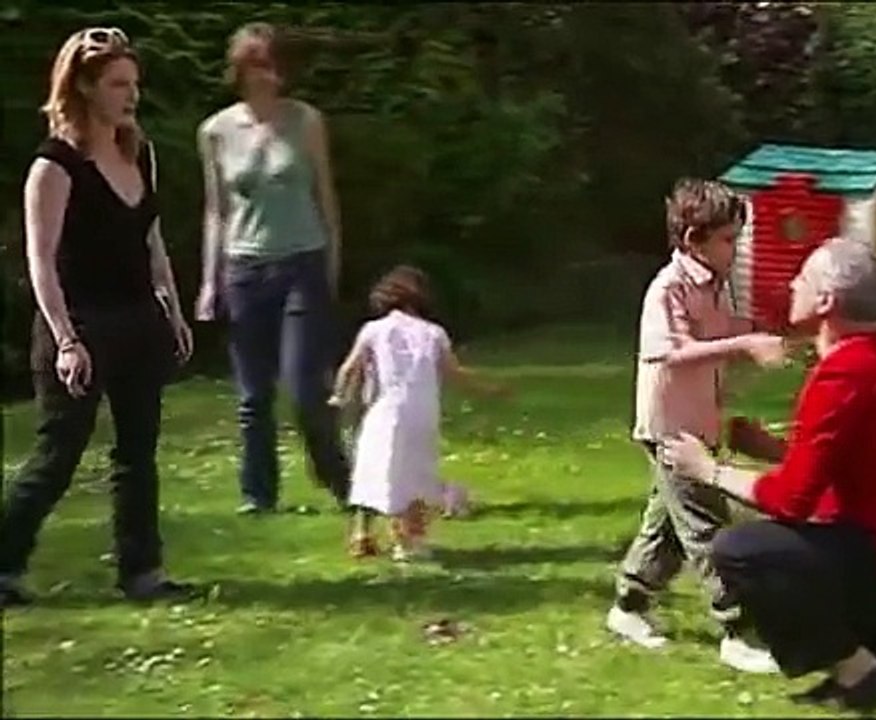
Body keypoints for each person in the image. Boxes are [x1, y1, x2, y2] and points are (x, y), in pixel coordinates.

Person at [661, 237, 876, 711]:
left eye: (804, 278)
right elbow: (848, 467)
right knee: (815, 579)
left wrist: (708, 470)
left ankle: (858, 674)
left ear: (826, 302)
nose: (794, 284)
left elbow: (791, 501)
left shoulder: (844, 375)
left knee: (742, 551)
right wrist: (774, 451)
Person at [0, 27, 198, 607]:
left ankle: (143, 573)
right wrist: (66, 339)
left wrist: (173, 311)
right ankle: (4, 565)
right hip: (82, 323)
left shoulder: (140, 153)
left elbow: (152, 240)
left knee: (138, 452)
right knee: (59, 453)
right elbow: (40, 260)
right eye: (117, 84)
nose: (131, 95)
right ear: (85, 87)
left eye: (134, 84)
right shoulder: (55, 165)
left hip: (138, 318)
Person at [605, 178, 790, 673]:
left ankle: (628, 606)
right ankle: (737, 631)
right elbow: (674, 351)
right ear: (693, 239)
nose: (736, 249)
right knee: (707, 528)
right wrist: (744, 346)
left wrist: (760, 330)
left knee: (667, 526)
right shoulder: (668, 288)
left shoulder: (714, 286)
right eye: (728, 239)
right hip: (672, 429)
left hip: (700, 424)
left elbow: (719, 332)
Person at [195, 22, 350, 514]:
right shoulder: (216, 131)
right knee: (253, 395)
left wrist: (332, 263)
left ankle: (340, 478)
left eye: (278, 65)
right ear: (242, 68)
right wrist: (209, 281)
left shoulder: (305, 121)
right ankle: (258, 495)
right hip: (244, 268)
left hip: (302, 262)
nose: (271, 75)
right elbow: (216, 210)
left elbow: (325, 196)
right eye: (261, 64)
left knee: (306, 389)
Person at [328, 266, 505, 563]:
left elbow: (349, 367)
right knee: (415, 473)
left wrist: (339, 396)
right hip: (422, 411)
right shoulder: (434, 333)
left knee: (373, 470)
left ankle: (363, 534)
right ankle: (410, 540)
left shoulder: (373, 330)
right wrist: (489, 389)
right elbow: (454, 372)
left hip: (384, 409)